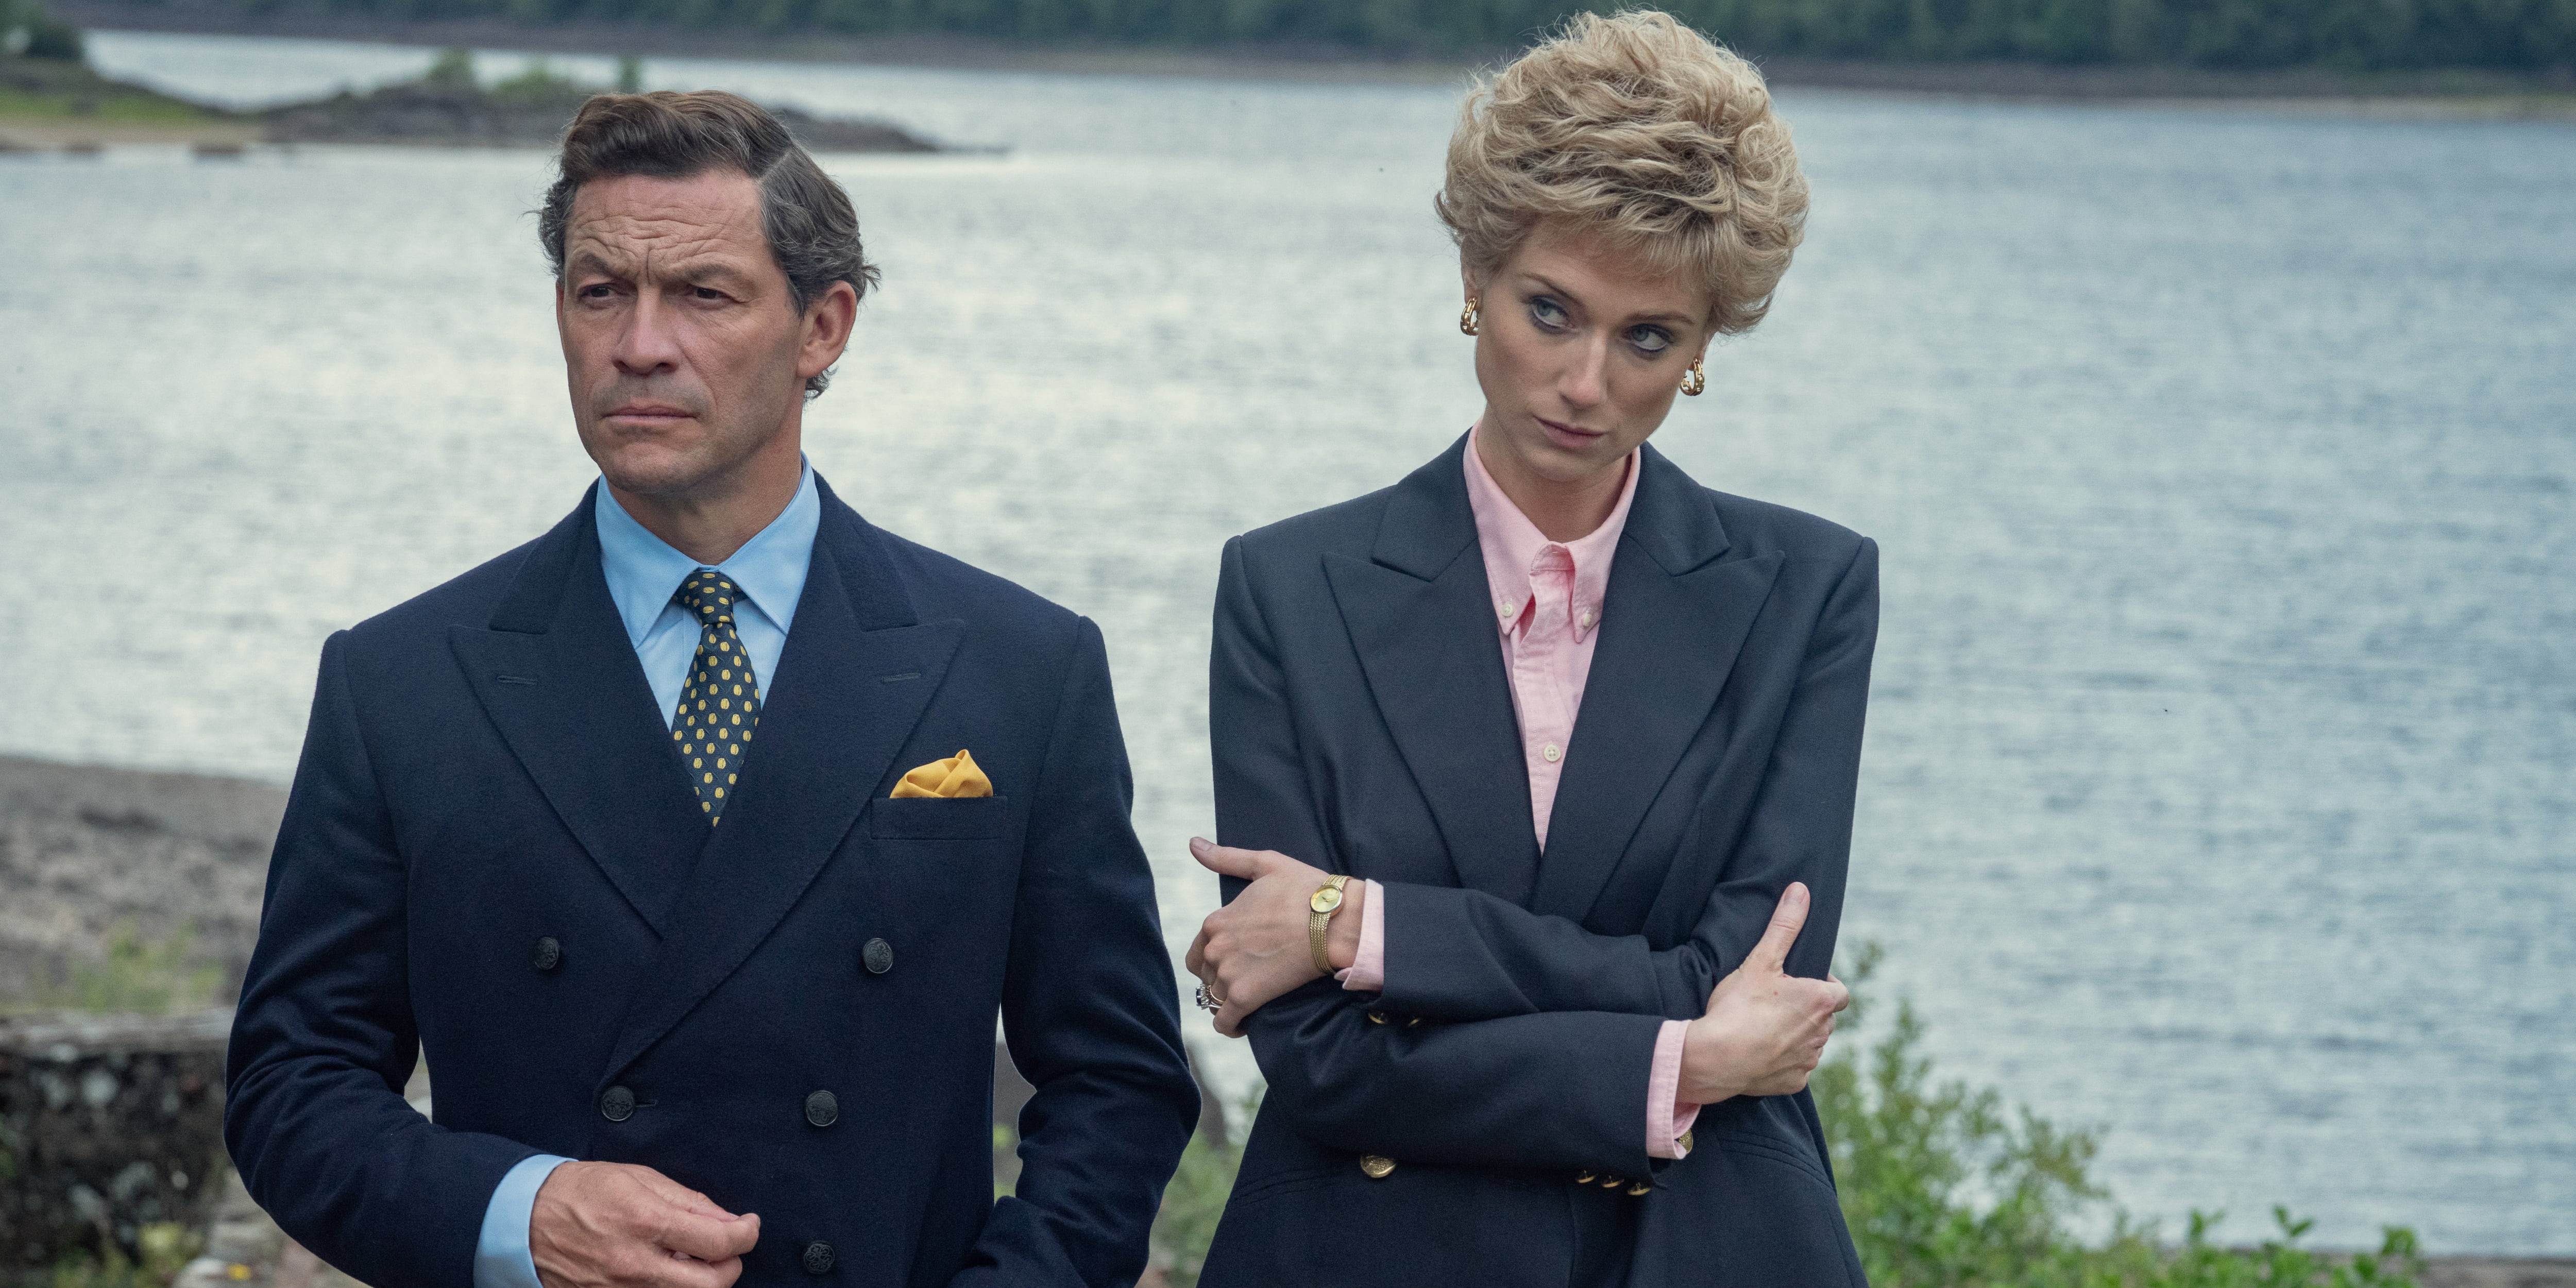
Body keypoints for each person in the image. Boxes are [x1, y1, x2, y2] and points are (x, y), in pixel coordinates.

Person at [224, 91, 1199, 1288]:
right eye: (599, 293)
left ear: (824, 327)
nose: (639, 343)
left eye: (703, 294)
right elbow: (290, 1085)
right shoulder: (401, 681)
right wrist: (514, 1213)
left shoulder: (1020, 667)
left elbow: (1119, 1078)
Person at [1182, 13, 1870, 1286]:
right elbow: (1326, 1060)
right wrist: (1680, 1063)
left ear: (1706, 349)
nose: (1584, 381)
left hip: (1695, 1249)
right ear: (1473, 280)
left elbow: (1745, 972)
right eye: (1549, 311)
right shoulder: (1287, 588)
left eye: (1647, 337)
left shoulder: (1807, 591)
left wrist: (1361, 923)